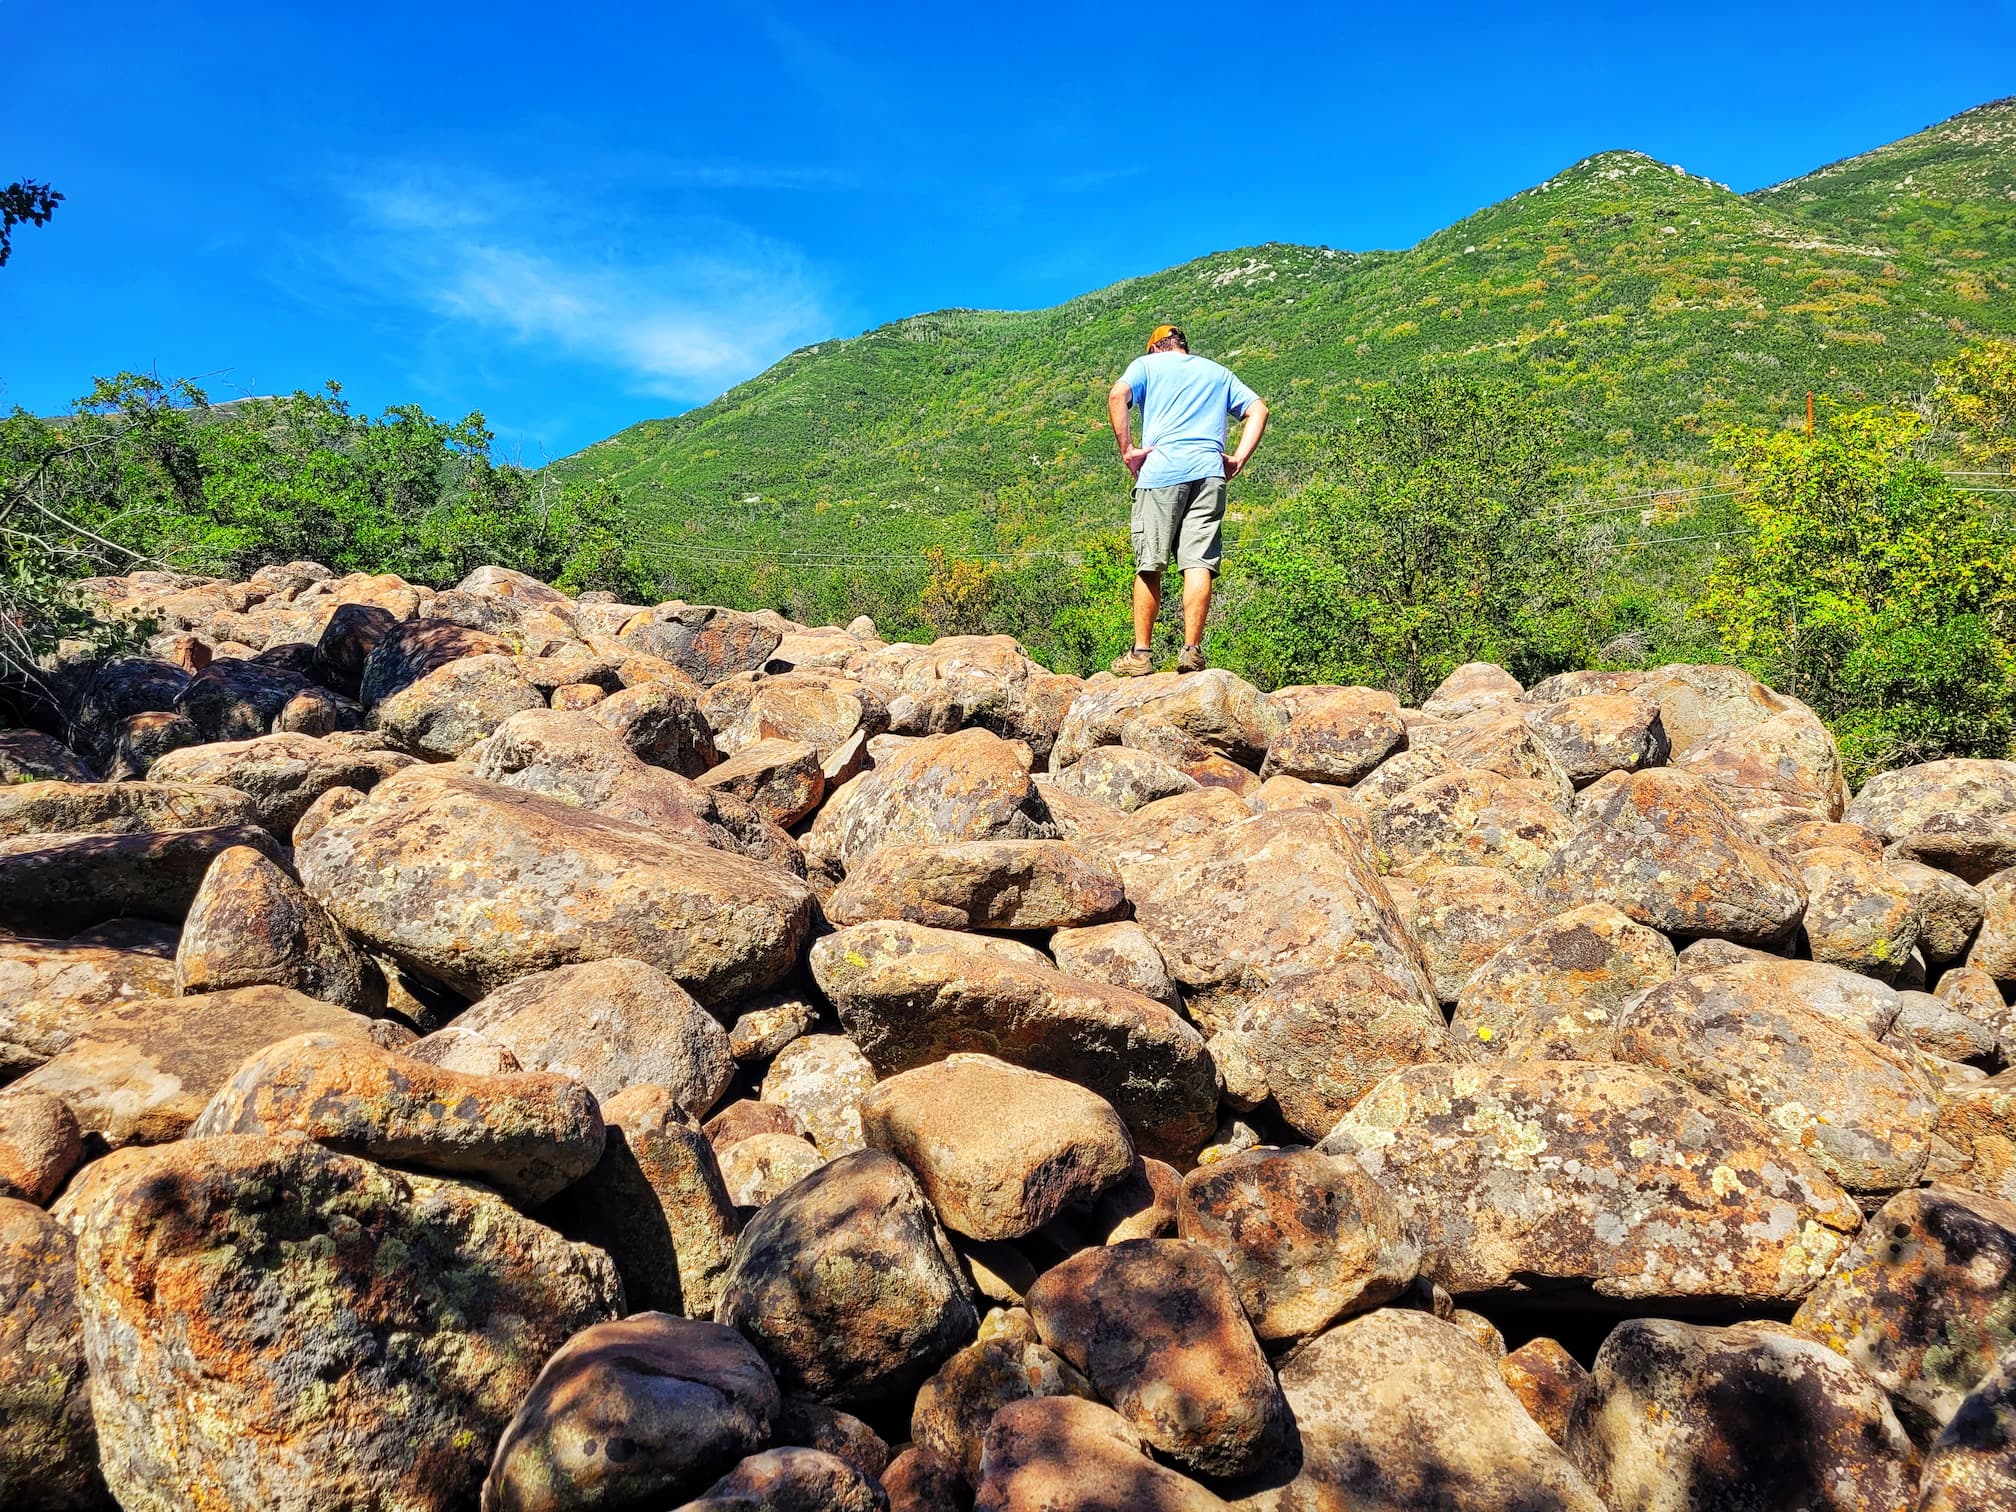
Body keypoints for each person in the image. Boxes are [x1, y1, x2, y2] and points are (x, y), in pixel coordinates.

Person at [1106, 323, 1269, 675]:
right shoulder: (1217, 372)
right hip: (1209, 472)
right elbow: (1259, 409)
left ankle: (1141, 655)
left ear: (1155, 349)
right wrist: (1238, 458)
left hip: (1162, 473)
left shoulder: (1146, 366)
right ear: (1182, 346)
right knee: (1198, 562)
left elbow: (1117, 396)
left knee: (1150, 562)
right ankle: (1191, 651)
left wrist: (1128, 451)